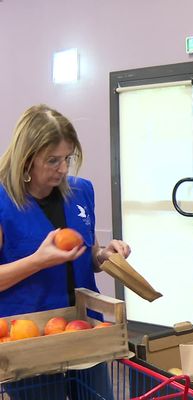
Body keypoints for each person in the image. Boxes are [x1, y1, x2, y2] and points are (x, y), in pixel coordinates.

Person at [0, 104, 131, 399]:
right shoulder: (3, 203)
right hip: (31, 338)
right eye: (52, 160)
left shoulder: (81, 191)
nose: (62, 168)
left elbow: (89, 254)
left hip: (84, 330)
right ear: (27, 159)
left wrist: (103, 255)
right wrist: (37, 262)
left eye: (67, 158)